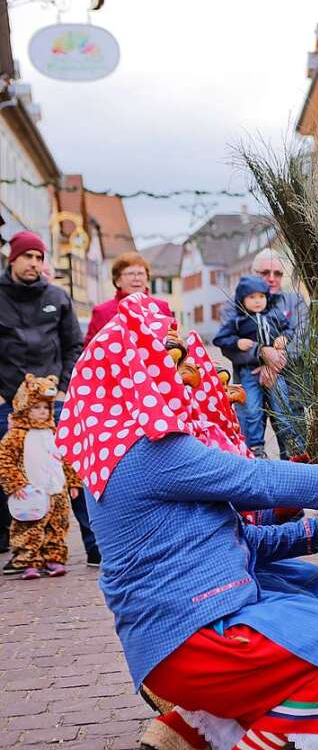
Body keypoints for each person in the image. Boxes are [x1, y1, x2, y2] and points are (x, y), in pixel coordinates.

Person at [58, 294, 318, 750]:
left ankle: (191, 727)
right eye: (165, 358)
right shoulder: (148, 450)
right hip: (194, 637)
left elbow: (235, 538)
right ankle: (231, 731)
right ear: (135, 371)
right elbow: (249, 477)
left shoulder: (124, 446)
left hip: (183, 628)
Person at [0, 231, 95, 566]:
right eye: (28, 257)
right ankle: (16, 549)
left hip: (53, 400)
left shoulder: (57, 296)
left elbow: (73, 345)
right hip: (9, 400)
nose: (34, 263)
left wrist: (66, 385)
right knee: (12, 472)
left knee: (68, 469)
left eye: (39, 257)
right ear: (13, 259)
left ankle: (91, 543)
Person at [0, 374, 81, 579]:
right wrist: (16, 484)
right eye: (36, 407)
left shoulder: (54, 432)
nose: (42, 412)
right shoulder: (16, 435)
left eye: (46, 407)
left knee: (57, 525)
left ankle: (53, 558)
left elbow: (66, 457)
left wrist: (73, 481)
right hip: (30, 490)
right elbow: (5, 460)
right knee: (29, 527)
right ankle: (28, 560)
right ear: (25, 406)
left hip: (56, 489)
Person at [214, 276, 304, 458]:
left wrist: (284, 338)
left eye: (261, 297)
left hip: (276, 372)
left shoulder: (275, 316)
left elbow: (289, 329)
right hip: (249, 372)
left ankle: (293, 447)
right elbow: (220, 339)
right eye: (251, 297)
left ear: (267, 298)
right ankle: (255, 448)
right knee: (252, 410)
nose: (257, 301)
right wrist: (237, 342)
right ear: (242, 300)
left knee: (282, 408)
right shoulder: (238, 321)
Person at [84, 251, 173, 344]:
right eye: (130, 274)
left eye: (141, 273)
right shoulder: (102, 312)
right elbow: (91, 348)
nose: (136, 278)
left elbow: (173, 343)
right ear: (117, 280)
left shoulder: (161, 307)